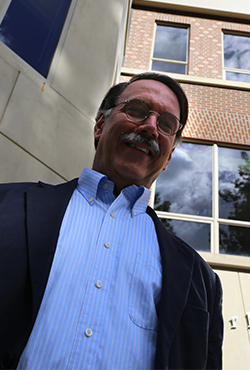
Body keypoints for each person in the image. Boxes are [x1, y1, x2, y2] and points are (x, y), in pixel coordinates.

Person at [0, 72, 223, 370]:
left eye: (166, 124)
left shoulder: (201, 280)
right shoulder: (7, 206)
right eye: (137, 111)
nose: (150, 127)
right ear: (100, 125)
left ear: (168, 158)